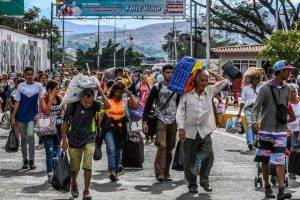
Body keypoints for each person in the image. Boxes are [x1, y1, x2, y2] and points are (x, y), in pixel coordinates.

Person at [176, 69, 227, 193]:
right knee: (189, 159)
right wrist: (181, 128)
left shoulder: (210, 91)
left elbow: (224, 81)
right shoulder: (187, 93)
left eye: (207, 80)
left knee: (208, 156)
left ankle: (204, 180)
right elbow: (180, 112)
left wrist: (210, 72)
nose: (205, 83)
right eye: (202, 80)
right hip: (189, 131)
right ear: (195, 80)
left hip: (205, 130)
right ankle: (192, 184)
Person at [251, 60, 295, 200]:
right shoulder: (265, 88)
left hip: (281, 132)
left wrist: (287, 127)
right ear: (280, 71)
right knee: (265, 160)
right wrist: (254, 122)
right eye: (287, 70)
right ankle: (267, 186)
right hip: (265, 131)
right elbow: (256, 108)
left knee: (280, 161)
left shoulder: (287, 88)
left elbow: (285, 109)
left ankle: (281, 190)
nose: (289, 72)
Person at [61, 87, 110, 200]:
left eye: (90, 102)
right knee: (74, 169)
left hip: (89, 139)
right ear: (80, 98)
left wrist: (101, 91)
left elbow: (108, 106)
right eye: (85, 102)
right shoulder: (72, 105)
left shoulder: (95, 104)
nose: (87, 104)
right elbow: (65, 124)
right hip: (74, 139)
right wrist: (64, 140)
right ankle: (74, 183)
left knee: (88, 166)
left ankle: (86, 190)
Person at [142, 64, 179, 182]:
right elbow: (148, 105)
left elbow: (182, 104)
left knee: (170, 147)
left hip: (174, 120)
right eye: (167, 72)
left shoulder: (178, 88)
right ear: (163, 74)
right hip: (161, 119)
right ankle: (159, 173)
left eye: (171, 72)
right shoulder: (157, 87)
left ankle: (166, 172)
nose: (170, 74)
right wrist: (144, 121)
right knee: (162, 145)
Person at [102, 82, 138, 182]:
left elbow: (135, 107)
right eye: (117, 92)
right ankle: (112, 171)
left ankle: (116, 171)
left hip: (121, 129)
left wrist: (130, 94)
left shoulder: (125, 101)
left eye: (121, 92)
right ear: (113, 91)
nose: (118, 94)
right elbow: (100, 114)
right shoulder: (107, 100)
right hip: (108, 128)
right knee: (111, 148)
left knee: (118, 150)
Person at [11, 67, 46, 169]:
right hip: (21, 116)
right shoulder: (21, 86)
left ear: (33, 75)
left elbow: (41, 101)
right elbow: (17, 102)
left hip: (32, 115)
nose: (30, 76)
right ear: (25, 75)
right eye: (28, 74)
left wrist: (39, 114)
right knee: (23, 139)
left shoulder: (38, 86)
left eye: (31, 74)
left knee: (31, 136)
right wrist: (13, 117)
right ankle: (25, 160)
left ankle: (32, 160)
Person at [42, 80, 62, 182]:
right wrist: (50, 99)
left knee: (57, 151)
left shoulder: (60, 98)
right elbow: (46, 112)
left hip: (58, 129)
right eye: (55, 89)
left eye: (58, 89)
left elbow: (63, 112)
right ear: (49, 90)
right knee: (49, 151)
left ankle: (56, 170)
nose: (57, 91)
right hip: (47, 130)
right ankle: (50, 173)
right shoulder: (43, 99)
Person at [238, 74, 262, 151]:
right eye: (255, 78)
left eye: (258, 79)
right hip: (248, 108)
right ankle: (250, 142)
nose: (257, 80)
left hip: (257, 109)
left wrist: (264, 74)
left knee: (256, 126)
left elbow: (269, 82)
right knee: (249, 125)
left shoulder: (261, 88)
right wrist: (239, 112)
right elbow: (242, 101)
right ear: (251, 80)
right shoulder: (245, 89)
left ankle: (255, 141)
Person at [287, 84, 300, 180]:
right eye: (290, 92)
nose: (292, 94)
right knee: (293, 149)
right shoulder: (286, 104)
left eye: (293, 91)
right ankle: (291, 171)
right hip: (291, 130)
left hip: (299, 129)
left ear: (297, 91)